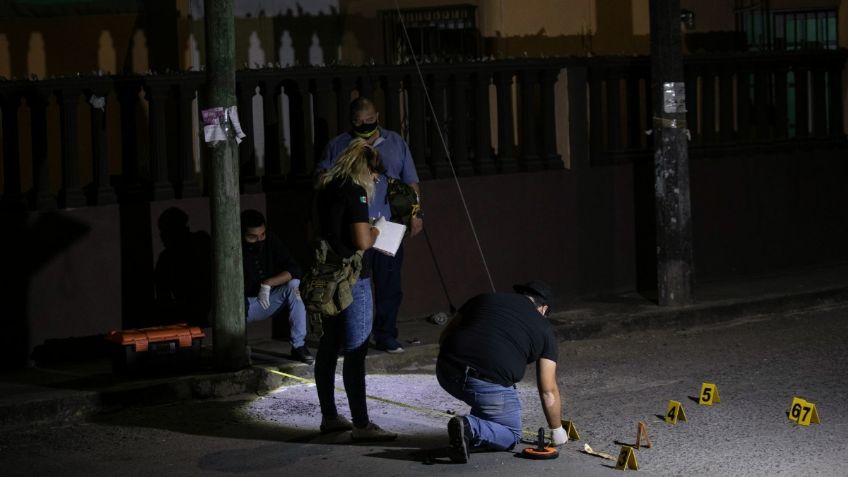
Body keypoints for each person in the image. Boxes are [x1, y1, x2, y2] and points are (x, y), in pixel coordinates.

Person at [318, 96, 422, 354]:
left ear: (377, 116)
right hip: (355, 229)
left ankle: (385, 335)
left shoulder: (396, 142)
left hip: (387, 227)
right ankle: (352, 339)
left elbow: (411, 182)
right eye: (358, 122)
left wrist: (416, 213)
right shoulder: (340, 151)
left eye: (369, 120)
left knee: (389, 285)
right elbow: (321, 182)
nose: (364, 125)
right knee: (352, 286)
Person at [313, 138, 398, 441]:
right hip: (352, 277)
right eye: (375, 175)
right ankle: (362, 425)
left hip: (327, 274)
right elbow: (362, 241)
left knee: (329, 343)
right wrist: (379, 227)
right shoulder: (355, 191)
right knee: (356, 349)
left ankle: (330, 416)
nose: (376, 181)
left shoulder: (327, 186)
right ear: (366, 169)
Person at [436, 280, 567, 463]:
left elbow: (444, 337)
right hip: (485, 383)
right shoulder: (544, 329)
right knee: (511, 434)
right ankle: (469, 426)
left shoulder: (483, 298)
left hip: (445, 371)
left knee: (488, 398)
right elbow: (548, 390)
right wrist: (556, 429)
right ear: (543, 308)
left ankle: (477, 427)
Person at [241, 209, 314, 365]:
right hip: (242, 305)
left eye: (262, 235)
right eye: (252, 237)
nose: (259, 240)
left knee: (294, 286)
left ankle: (298, 345)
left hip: (267, 299)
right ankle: (238, 349)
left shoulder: (270, 241)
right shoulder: (235, 248)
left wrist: (267, 284)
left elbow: (295, 269)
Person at [154, 207, 212, 328]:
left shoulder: (201, 243)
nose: (163, 237)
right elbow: (163, 296)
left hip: (208, 305)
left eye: (168, 232)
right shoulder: (166, 259)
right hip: (186, 314)